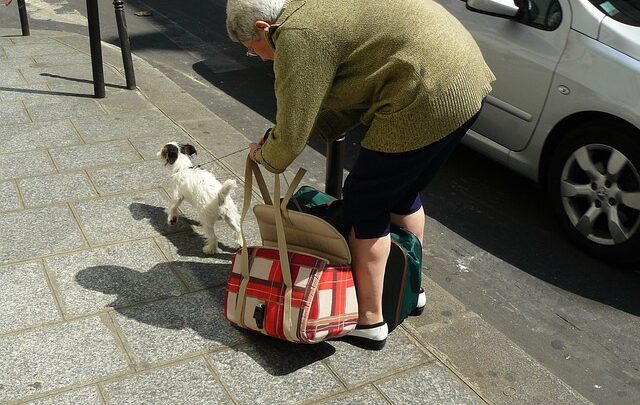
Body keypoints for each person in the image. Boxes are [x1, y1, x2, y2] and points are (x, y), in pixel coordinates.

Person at [226, 0, 495, 349]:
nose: (261, 58)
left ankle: (370, 320)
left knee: (365, 201)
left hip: (424, 93)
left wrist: (268, 154)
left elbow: (290, 132)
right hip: (465, 79)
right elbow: (350, 94)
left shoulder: (295, 35)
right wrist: (301, 132)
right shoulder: (313, 10)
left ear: (264, 27)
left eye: (253, 49)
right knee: (401, 191)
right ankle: (409, 289)